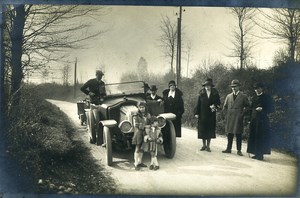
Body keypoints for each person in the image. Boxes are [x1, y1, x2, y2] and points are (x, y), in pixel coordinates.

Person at [247, 82, 274, 161]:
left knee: (261, 137)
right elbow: (251, 109)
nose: (256, 90)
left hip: (262, 121)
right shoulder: (254, 97)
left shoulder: (267, 97)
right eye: (255, 89)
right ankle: (255, 153)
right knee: (254, 136)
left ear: (262, 88)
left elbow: (271, 109)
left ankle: (260, 154)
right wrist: (249, 119)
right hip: (254, 120)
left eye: (258, 88)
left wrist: (263, 109)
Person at [222, 79, 250, 156]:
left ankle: (239, 150)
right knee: (229, 133)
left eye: (235, 86)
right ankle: (228, 149)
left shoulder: (243, 96)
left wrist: (242, 114)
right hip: (230, 117)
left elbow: (248, 107)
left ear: (238, 87)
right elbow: (225, 107)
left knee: (238, 134)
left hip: (238, 118)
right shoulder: (228, 96)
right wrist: (226, 115)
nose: (234, 88)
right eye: (232, 87)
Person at [194, 78, 221, 152]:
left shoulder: (215, 93)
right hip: (202, 114)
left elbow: (218, 102)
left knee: (210, 130)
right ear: (204, 86)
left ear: (211, 86)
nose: (207, 87)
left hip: (211, 114)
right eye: (206, 86)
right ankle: (203, 145)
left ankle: (208, 146)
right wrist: (196, 113)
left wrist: (214, 106)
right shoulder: (201, 93)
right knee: (202, 130)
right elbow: (198, 104)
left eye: (208, 86)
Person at [132, 101, 151, 170]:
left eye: (143, 107)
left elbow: (150, 122)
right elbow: (135, 125)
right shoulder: (136, 115)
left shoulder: (148, 115)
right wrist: (144, 126)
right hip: (138, 133)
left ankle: (140, 162)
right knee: (137, 147)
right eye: (140, 107)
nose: (141, 109)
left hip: (145, 133)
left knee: (143, 148)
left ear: (145, 107)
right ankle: (136, 163)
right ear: (138, 108)